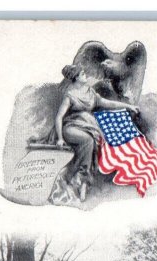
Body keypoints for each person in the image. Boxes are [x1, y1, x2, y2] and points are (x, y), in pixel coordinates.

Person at [48, 64, 140, 204]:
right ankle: (79, 180)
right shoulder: (70, 95)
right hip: (72, 128)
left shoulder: (89, 92)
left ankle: (81, 181)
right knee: (88, 141)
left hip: (89, 127)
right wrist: (60, 138)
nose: (85, 75)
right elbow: (59, 117)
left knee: (92, 142)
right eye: (83, 74)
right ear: (76, 78)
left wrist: (128, 106)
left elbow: (107, 103)